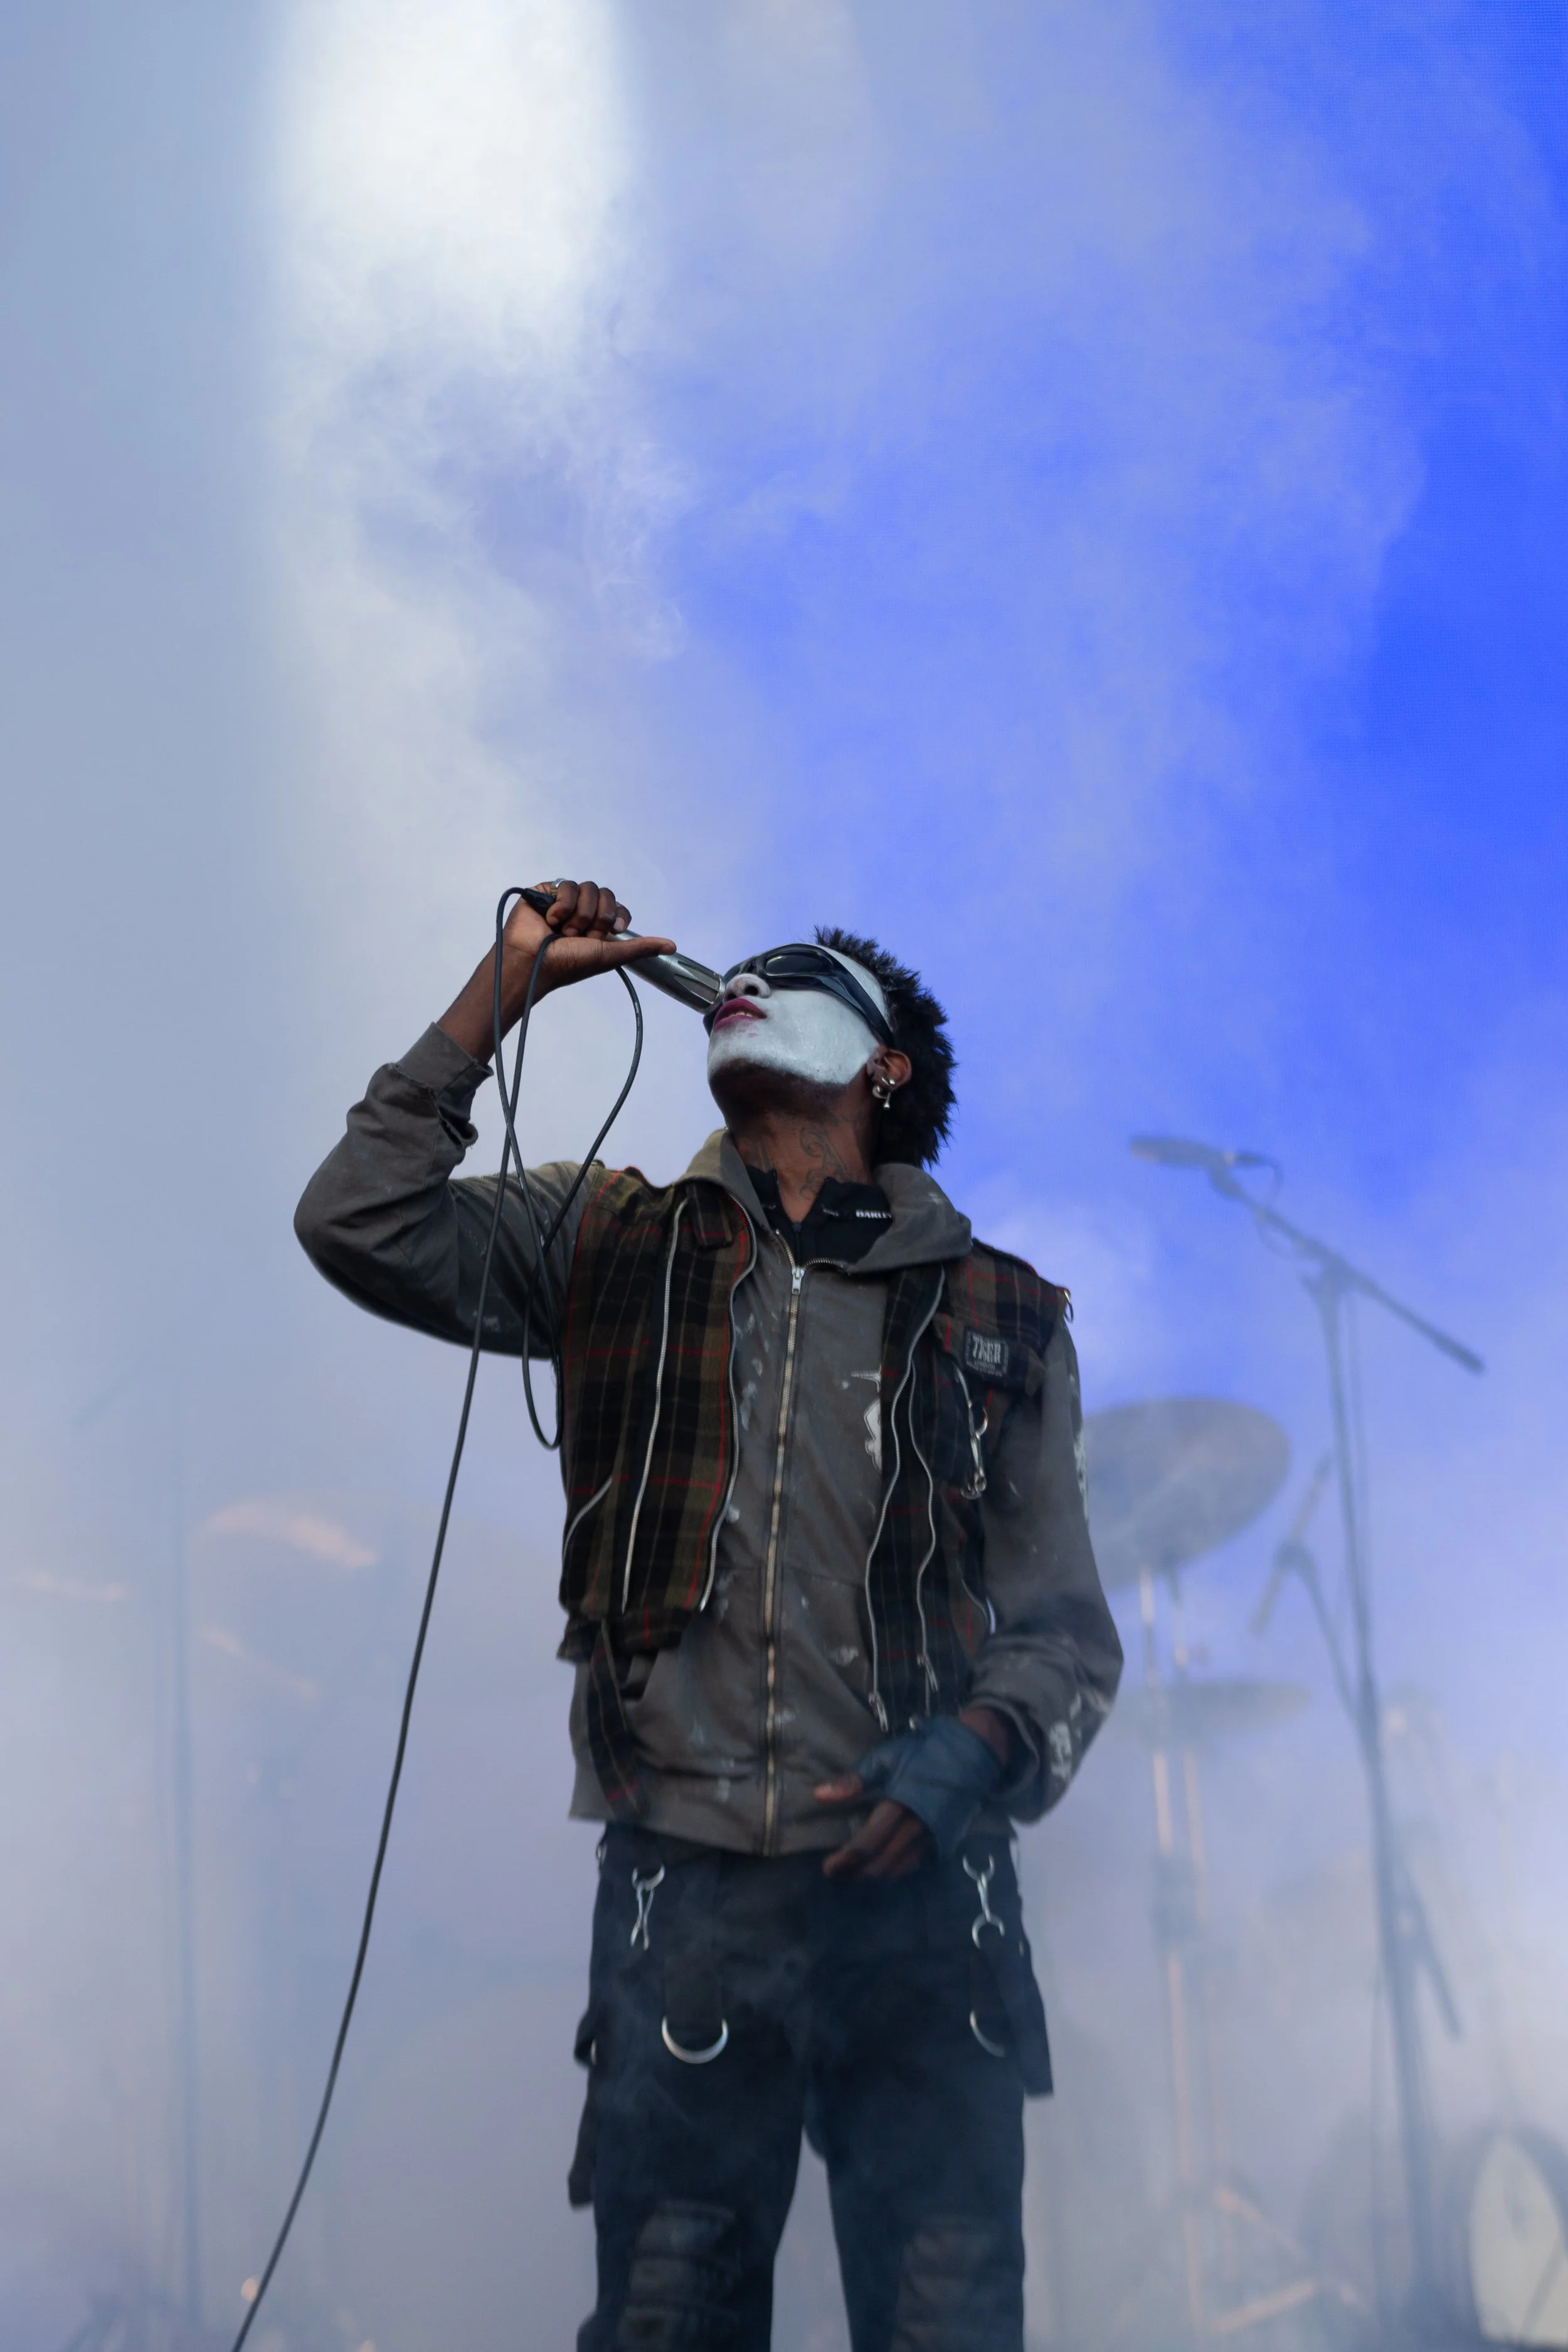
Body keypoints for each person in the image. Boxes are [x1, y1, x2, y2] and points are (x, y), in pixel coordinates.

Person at [294, 878, 1121, 2352]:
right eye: (736, 977)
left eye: (790, 977)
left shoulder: (1001, 1314)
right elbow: (357, 1218)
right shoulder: (612, 1239)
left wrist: (966, 1757)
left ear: (885, 1069)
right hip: (690, 1905)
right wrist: (505, 989)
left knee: (947, 2324)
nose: (742, 983)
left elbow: (1065, 1632)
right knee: (667, 2323)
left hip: (924, 1908)